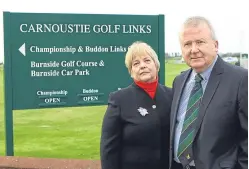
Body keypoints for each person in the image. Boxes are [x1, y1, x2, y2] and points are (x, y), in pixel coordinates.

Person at [170, 16, 248, 169]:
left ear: (215, 45)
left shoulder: (240, 79)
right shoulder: (179, 81)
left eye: (200, 42)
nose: (194, 49)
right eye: (187, 44)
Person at [100, 41, 172, 169]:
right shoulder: (119, 100)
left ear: (156, 65)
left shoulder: (172, 95)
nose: (142, 66)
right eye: (136, 63)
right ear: (131, 71)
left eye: (147, 60)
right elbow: (108, 149)